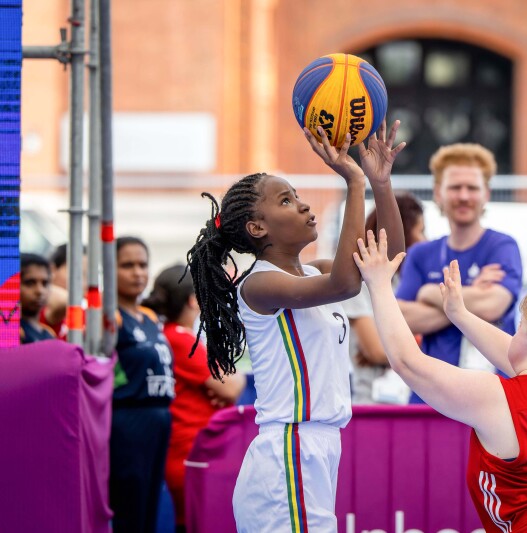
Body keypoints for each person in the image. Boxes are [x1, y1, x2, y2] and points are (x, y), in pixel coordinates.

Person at [185, 121, 406, 531]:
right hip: (290, 444)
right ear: (257, 228)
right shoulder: (259, 283)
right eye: (286, 201)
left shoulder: (311, 271)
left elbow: (387, 256)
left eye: (298, 196)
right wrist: (353, 182)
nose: (303, 205)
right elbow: (342, 283)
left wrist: (380, 183)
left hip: (318, 444)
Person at [355, 229, 527, 531]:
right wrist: (459, 314)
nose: (513, 335)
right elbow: (523, 358)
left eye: (520, 327)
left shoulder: (499, 397)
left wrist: (378, 285)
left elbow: (407, 362)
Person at [394, 143, 523, 403]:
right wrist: (472, 295)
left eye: (472, 188)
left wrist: (430, 292)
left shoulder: (502, 246)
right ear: (438, 194)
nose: (464, 196)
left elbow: (493, 305)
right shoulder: (421, 253)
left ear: (486, 194)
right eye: (455, 187)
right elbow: (403, 319)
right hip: (431, 397)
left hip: (495, 398)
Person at [142, 264, 246, 533]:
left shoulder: (178, 337)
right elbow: (228, 387)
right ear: (192, 299)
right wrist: (236, 379)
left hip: (195, 451)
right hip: (190, 454)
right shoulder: (178, 339)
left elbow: (221, 384)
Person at [110, 236, 175, 533]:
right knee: (129, 507)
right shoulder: (110, 318)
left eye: (142, 265)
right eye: (127, 265)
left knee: (150, 505)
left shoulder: (149, 317)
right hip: (127, 419)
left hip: (160, 418)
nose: (137, 272)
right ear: (110, 269)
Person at [342, 192, 425, 404]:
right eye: (421, 231)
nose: (426, 240)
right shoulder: (359, 283)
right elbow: (376, 350)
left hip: (410, 400)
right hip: (373, 403)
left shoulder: (406, 281)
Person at [19, 253, 57, 343]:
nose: (40, 291)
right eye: (30, 283)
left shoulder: (49, 333)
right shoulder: (10, 333)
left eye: (45, 283)